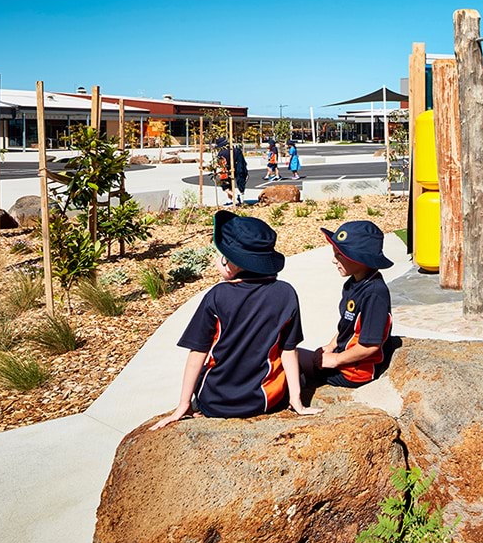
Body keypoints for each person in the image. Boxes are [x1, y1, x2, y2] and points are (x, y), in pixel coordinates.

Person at [151, 211, 320, 430]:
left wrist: (183, 405)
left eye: (222, 256)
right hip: (265, 401)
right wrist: (296, 399)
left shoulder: (217, 296)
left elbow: (197, 354)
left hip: (215, 403)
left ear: (232, 264)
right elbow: (289, 350)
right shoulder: (286, 293)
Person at [298, 220, 394, 389]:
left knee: (291, 358)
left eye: (339, 255)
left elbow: (369, 345)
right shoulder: (353, 284)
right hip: (344, 360)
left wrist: (336, 359)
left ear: (361, 258)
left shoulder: (374, 293)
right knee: (294, 358)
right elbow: (347, 326)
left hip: (355, 372)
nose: (334, 261)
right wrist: (331, 346)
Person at [214, 138, 247, 206]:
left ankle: (235, 196)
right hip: (237, 169)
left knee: (224, 185)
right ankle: (230, 199)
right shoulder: (236, 150)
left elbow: (221, 165)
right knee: (230, 184)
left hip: (226, 171)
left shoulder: (221, 153)